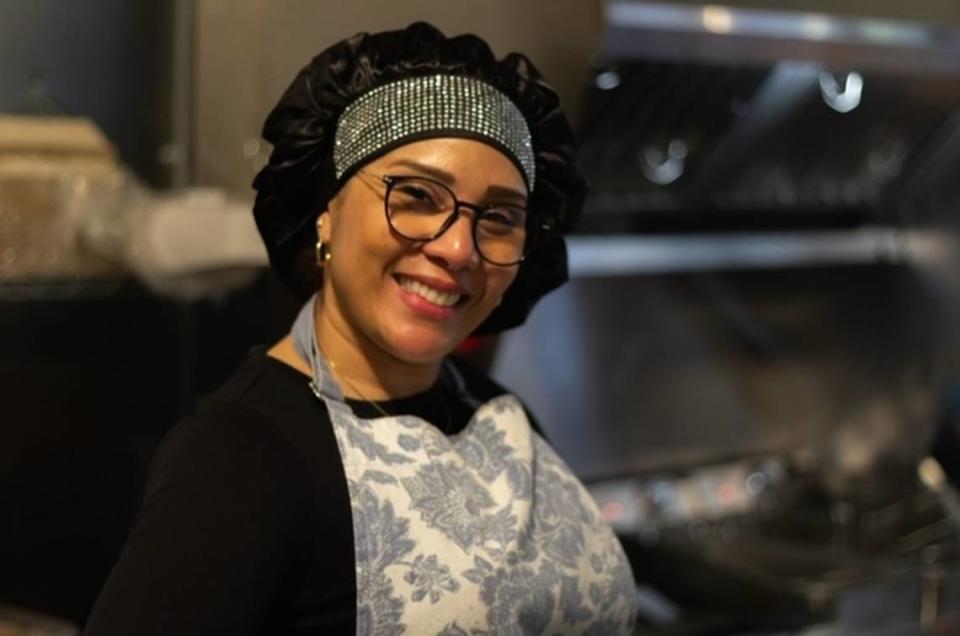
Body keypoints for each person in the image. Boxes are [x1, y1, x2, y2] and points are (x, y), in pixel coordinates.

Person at [84, 22, 636, 635]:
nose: (459, 248)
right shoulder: (244, 458)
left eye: (500, 217)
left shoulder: (497, 415)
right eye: (418, 196)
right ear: (327, 212)